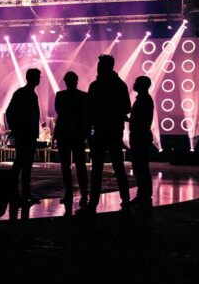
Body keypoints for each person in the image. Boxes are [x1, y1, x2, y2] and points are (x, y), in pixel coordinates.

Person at [86, 54, 131, 213]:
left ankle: (93, 203)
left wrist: (89, 129)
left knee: (97, 169)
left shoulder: (95, 86)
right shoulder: (120, 85)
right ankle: (126, 200)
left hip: (100, 130)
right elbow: (127, 107)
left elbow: (89, 110)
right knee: (118, 166)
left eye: (100, 65)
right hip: (114, 130)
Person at [6, 68, 42, 205]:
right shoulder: (23, 93)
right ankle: (16, 193)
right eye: (38, 77)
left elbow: (10, 112)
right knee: (21, 163)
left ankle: (23, 193)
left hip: (28, 134)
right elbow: (10, 112)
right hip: (25, 134)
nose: (39, 79)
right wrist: (16, 129)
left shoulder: (27, 93)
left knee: (25, 164)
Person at [54, 71, 89, 209]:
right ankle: (84, 193)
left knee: (66, 165)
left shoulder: (60, 95)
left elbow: (60, 112)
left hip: (64, 133)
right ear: (76, 81)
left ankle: (69, 193)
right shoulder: (83, 96)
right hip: (78, 133)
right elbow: (85, 115)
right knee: (80, 165)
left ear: (65, 82)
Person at [129, 75, 154, 209]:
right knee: (141, 167)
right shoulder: (144, 99)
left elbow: (140, 120)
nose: (134, 84)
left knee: (141, 167)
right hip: (141, 136)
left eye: (136, 82)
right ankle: (143, 195)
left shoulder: (144, 100)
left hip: (140, 136)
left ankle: (143, 196)